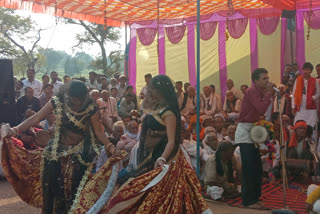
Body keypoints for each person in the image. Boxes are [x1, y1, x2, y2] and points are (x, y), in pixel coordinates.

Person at [2, 80, 121, 214]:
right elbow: (37, 117)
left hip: (78, 157)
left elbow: (99, 131)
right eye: (74, 99)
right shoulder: (57, 101)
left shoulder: (91, 107)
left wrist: (111, 148)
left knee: (74, 196)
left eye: (79, 99)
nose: (76, 102)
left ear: (84, 97)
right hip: (54, 155)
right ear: (68, 95)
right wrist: (15, 130)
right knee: (50, 195)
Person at [104, 75, 211, 213]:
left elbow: (172, 140)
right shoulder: (155, 108)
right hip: (149, 154)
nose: (149, 90)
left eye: (152, 88)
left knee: (162, 194)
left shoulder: (169, 113)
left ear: (160, 90)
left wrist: (162, 158)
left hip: (164, 157)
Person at [235, 68, 272, 208]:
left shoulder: (259, 92)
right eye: (264, 78)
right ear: (255, 80)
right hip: (245, 132)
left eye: (267, 78)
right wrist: (268, 93)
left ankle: (255, 197)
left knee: (256, 167)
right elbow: (261, 109)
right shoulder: (251, 91)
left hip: (253, 131)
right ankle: (248, 201)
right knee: (249, 167)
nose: (267, 81)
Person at [292, 62, 320, 128]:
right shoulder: (298, 79)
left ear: (311, 71)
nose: (305, 71)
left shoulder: (315, 80)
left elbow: (318, 93)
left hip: (311, 109)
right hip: (300, 108)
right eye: (304, 70)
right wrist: (293, 107)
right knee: (299, 126)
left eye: (307, 70)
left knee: (312, 127)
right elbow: (294, 95)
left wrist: (313, 98)